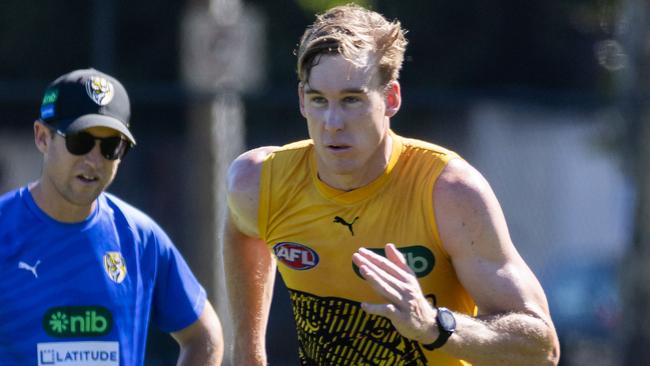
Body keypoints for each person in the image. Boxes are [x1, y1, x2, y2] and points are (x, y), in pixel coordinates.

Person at [224, 4, 560, 366]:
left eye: (352, 100)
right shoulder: (259, 181)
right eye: (319, 100)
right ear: (302, 100)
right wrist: (248, 352)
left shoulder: (449, 192)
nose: (332, 122)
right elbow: (243, 233)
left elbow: (540, 349)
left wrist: (435, 326)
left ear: (391, 98)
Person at [0, 68, 223, 365]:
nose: (93, 160)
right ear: (42, 137)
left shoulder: (139, 237)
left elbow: (204, 336)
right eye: (79, 141)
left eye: (110, 147)